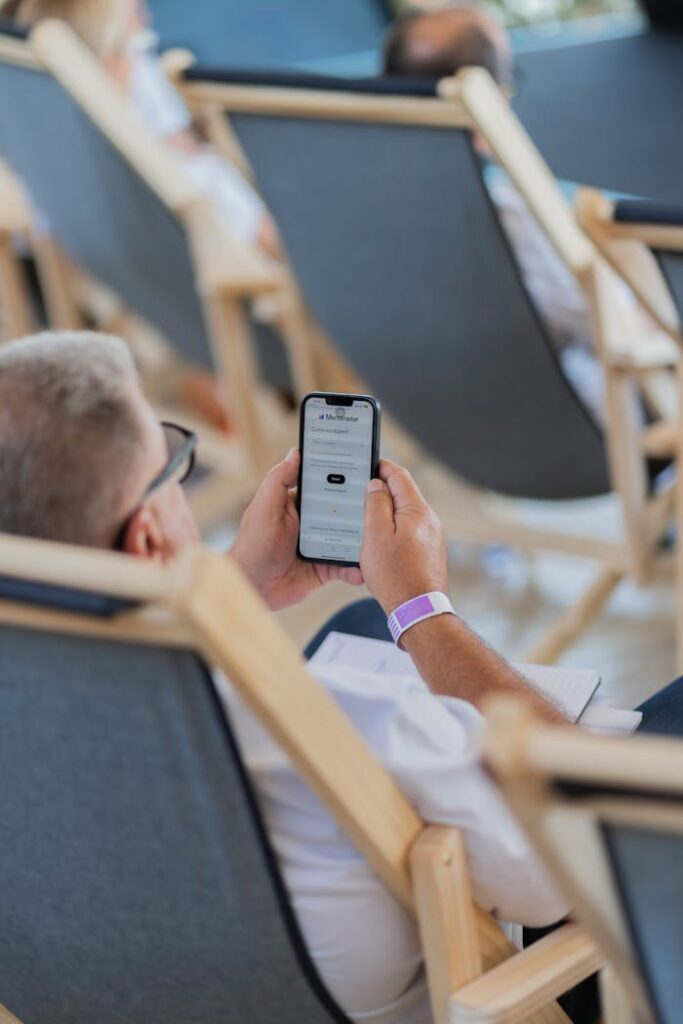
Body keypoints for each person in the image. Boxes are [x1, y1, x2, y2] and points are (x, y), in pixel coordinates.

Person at [3, 332, 683, 1023]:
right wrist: (423, 610)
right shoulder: (351, 729)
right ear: (148, 534)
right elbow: (575, 858)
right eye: (174, 462)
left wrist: (230, 594)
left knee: (354, 625)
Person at [383, 5, 607, 421]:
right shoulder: (504, 212)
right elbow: (599, 325)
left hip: (423, 418)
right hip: (552, 423)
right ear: (496, 97)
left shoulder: (354, 207)